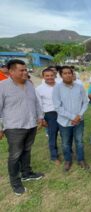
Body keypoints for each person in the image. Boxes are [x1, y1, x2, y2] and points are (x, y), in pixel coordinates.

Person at [0, 59, 45, 196]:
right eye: (22, 70)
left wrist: (40, 116)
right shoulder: (2, 86)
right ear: (11, 71)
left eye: (26, 69)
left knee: (27, 150)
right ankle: (16, 183)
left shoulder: (30, 84)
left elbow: (36, 102)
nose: (26, 72)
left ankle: (27, 173)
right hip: (14, 127)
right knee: (15, 155)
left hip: (31, 124)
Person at [52, 66, 89, 172]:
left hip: (79, 121)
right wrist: (73, 117)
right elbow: (57, 107)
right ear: (61, 75)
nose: (68, 75)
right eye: (65, 73)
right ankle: (68, 160)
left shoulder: (79, 87)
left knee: (79, 141)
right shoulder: (57, 88)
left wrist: (79, 116)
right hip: (64, 122)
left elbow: (85, 102)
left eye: (70, 73)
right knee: (65, 143)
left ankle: (81, 160)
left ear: (73, 74)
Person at [36, 68, 61, 165]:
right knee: (52, 135)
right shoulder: (39, 89)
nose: (50, 77)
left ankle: (69, 152)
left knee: (66, 134)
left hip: (63, 113)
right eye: (47, 75)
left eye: (51, 75)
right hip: (50, 114)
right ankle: (54, 156)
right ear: (43, 77)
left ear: (55, 75)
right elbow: (39, 104)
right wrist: (41, 118)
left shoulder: (60, 86)